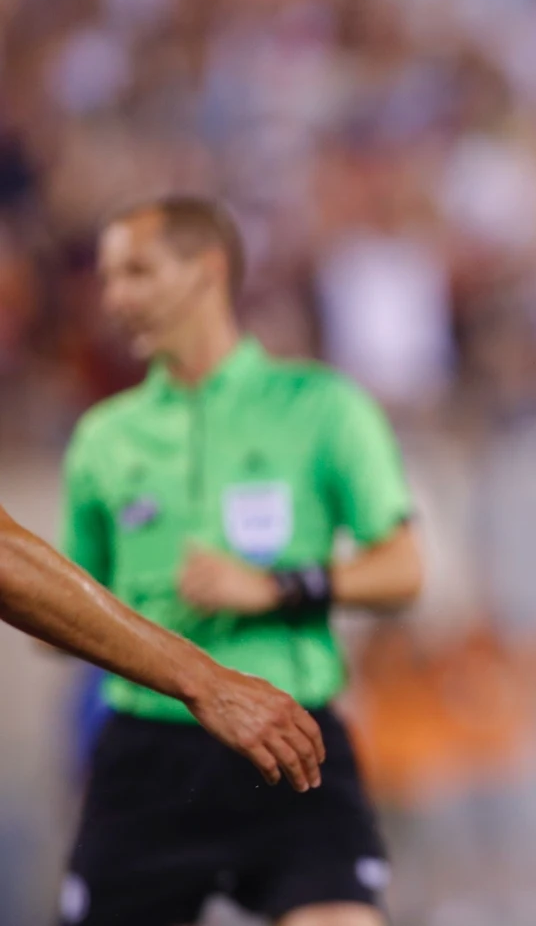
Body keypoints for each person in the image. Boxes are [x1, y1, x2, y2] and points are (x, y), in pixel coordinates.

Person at [58, 196, 425, 926]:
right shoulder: (104, 437)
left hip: (292, 740)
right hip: (146, 754)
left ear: (206, 270)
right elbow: (57, 612)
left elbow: (403, 570)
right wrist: (131, 620)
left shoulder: (321, 405)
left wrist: (274, 587)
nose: (115, 298)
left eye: (137, 271)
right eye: (108, 277)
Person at [1, 502, 324, 788]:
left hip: (286, 724)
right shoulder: (103, 444)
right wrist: (205, 681)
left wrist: (278, 588)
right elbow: (10, 563)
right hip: (141, 725)